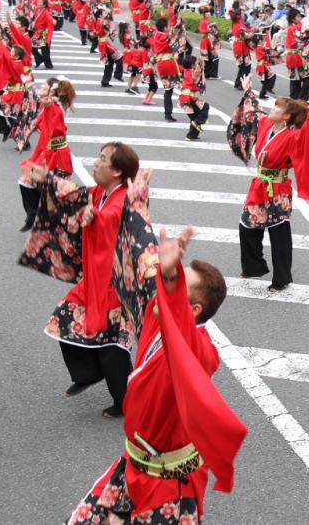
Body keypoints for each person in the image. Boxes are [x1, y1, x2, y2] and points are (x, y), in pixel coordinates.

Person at [64, 191, 248, 523]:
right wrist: (134, 203)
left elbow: (173, 303)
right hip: (131, 469)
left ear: (192, 309)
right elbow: (140, 262)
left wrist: (173, 277)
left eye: (177, 287)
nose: (165, 291)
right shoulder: (155, 316)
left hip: (170, 489)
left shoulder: (201, 353)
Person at [24, 142, 142, 418]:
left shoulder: (123, 198)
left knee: (113, 346)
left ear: (117, 171)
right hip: (97, 279)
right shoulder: (102, 192)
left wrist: (95, 217)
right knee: (65, 318)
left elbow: (112, 218)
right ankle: (89, 373)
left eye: (102, 159)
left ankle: (125, 401)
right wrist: (49, 179)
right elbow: (77, 194)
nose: (96, 162)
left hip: (117, 284)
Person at [228, 76, 309, 292]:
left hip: (278, 187)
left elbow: (306, 139)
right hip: (259, 184)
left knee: (278, 233)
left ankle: (281, 278)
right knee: (247, 225)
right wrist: (248, 91)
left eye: (276, 108)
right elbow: (253, 112)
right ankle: (253, 266)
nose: (272, 109)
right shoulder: (266, 124)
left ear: (286, 117)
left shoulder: (292, 136)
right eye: (273, 107)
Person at [18, 77, 76, 232]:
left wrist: (46, 101)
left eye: (44, 86)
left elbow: (46, 104)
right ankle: (35, 216)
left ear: (52, 92)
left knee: (54, 192)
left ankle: (57, 223)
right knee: (27, 182)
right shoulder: (50, 107)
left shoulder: (54, 108)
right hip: (47, 152)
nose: (40, 88)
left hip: (58, 157)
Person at [179, 55, 209, 141]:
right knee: (205, 107)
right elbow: (198, 72)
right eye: (195, 63)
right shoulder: (192, 72)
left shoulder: (186, 71)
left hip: (184, 97)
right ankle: (197, 122)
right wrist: (200, 61)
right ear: (192, 65)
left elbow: (200, 69)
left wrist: (199, 62)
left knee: (194, 116)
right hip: (188, 97)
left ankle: (191, 135)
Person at [231, 9, 254, 90]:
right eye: (243, 14)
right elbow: (246, 36)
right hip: (242, 47)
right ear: (239, 16)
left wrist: (252, 29)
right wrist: (253, 33)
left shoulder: (237, 24)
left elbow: (247, 30)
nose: (244, 15)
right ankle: (242, 84)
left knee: (242, 66)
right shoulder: (240, 25)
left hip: (238, 46)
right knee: (246, 66)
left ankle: (238, 82)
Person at [31, 0, 55, 69]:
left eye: (40, 2)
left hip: (43, 32)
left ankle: (48, 64)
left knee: (44, 50)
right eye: (38, 2)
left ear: (44, 5)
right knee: (33, 48)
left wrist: (53, 20)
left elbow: (49, 18)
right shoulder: (38, 10)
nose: (38, 3)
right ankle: (41, 60)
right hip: (38, 32)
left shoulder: (46, 12)